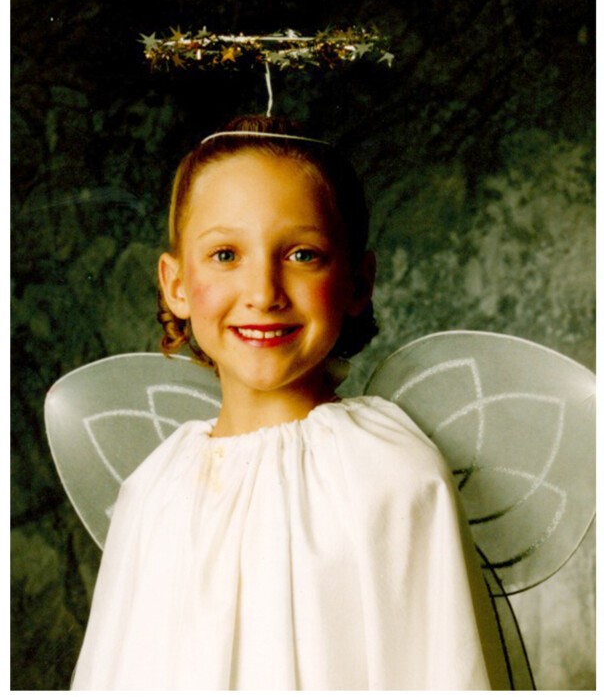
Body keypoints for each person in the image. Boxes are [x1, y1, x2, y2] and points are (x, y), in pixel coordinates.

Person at [71, 115, 508, 690]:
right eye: (226, 255)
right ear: (175, 285)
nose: (263, 294)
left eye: (303, 255)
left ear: (358, 281)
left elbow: (444, 670)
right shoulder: (153, 490)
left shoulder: (392, 477)